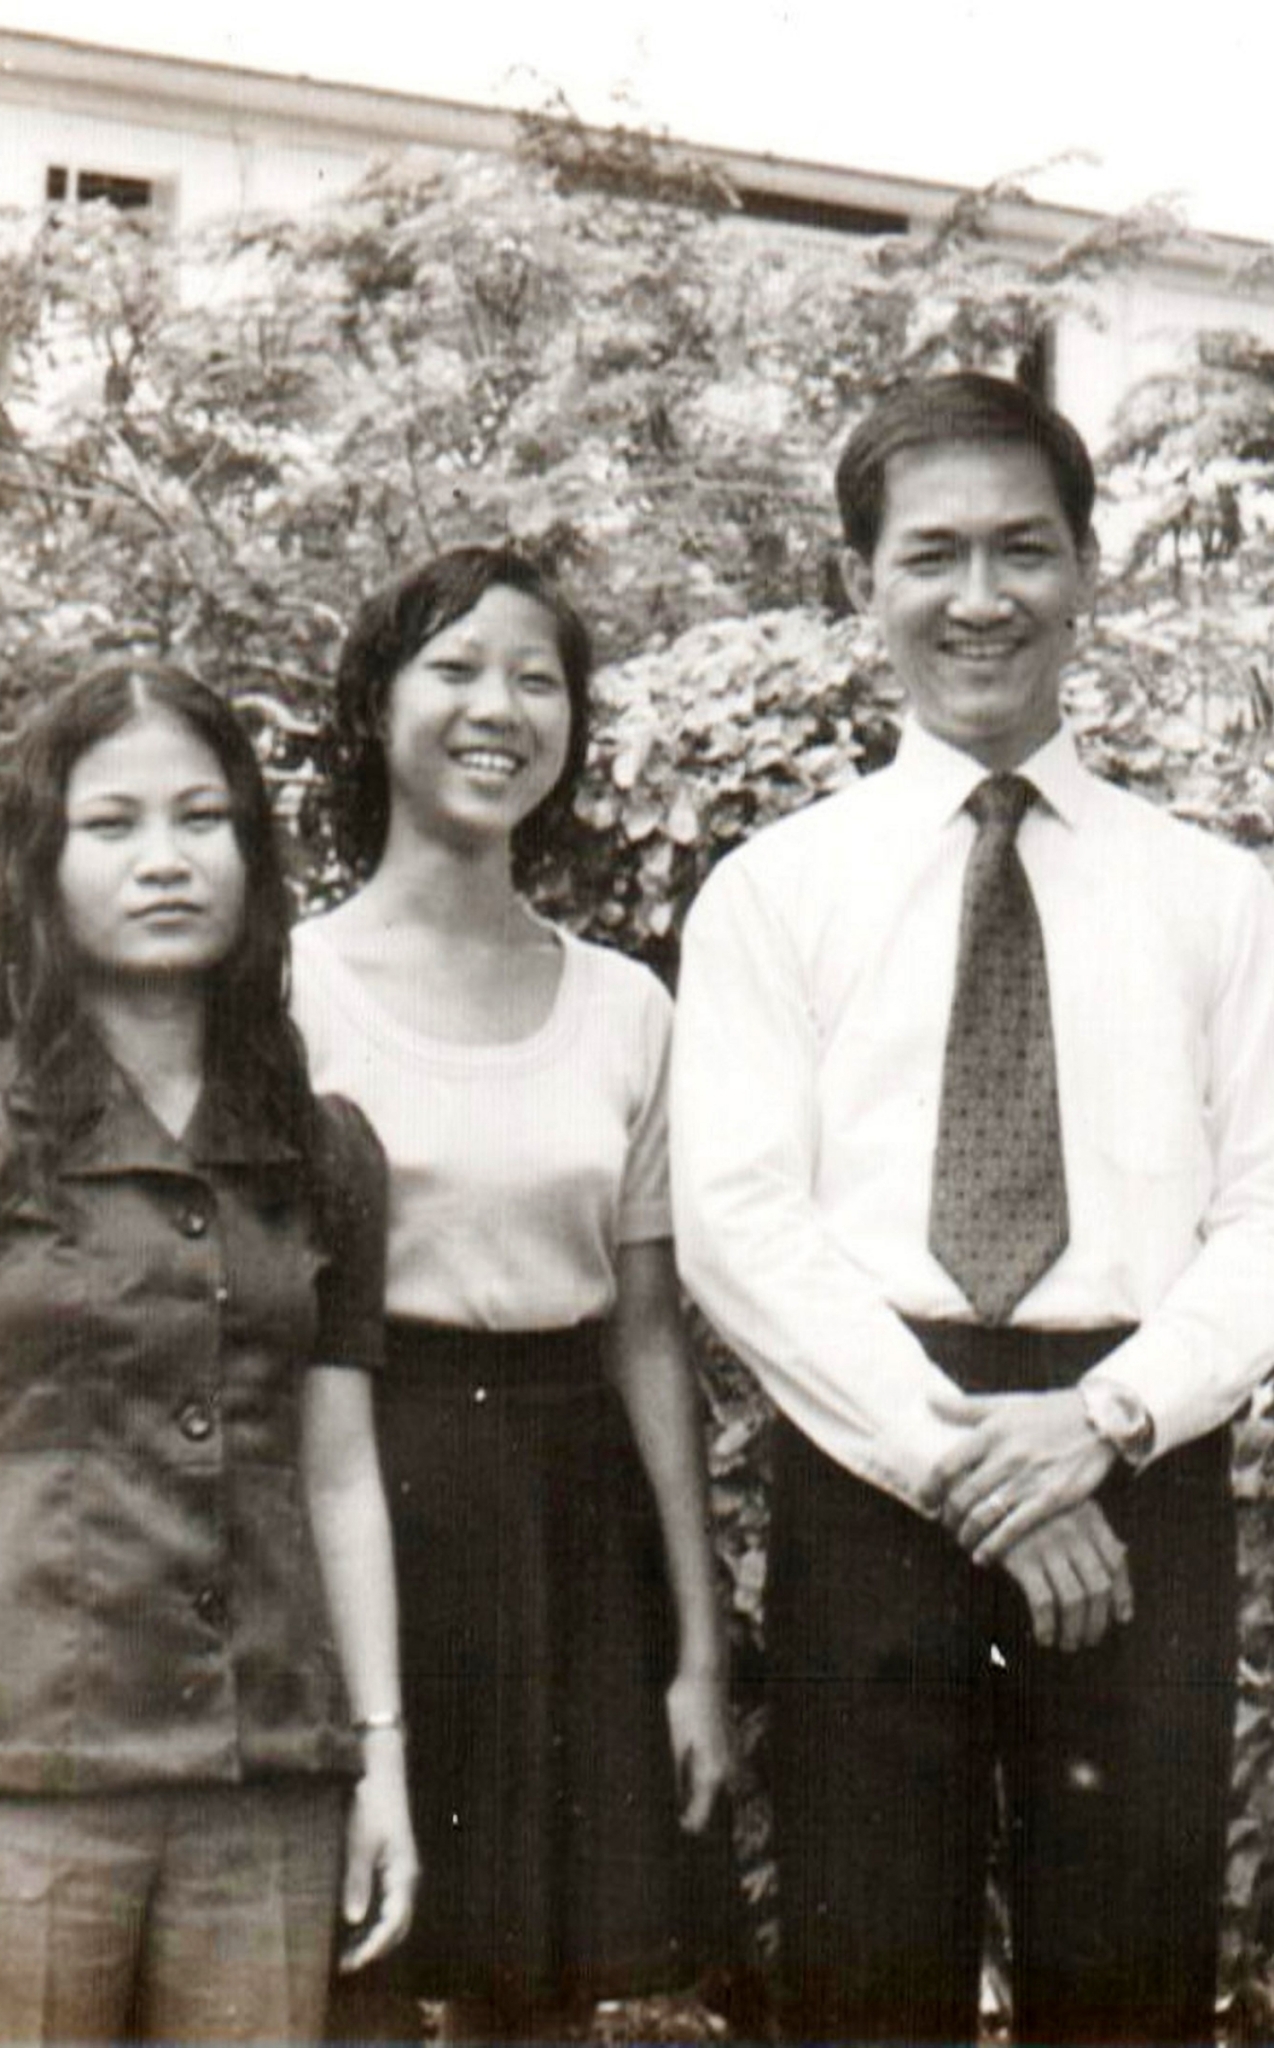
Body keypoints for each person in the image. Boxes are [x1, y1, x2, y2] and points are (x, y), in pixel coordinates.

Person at [670, 370, 1274, 2045]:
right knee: (866, 1979)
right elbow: (740, 1222)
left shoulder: (1212, 897)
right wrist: (973, 1464)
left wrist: (1099, 1425)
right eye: (934, 554)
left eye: (1023, 549)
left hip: (1137, 1448)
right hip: (871, 1453)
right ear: (862, 582)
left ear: (1085, 571)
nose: (980, 596)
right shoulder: (775, 893)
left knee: (1127, 1984)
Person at [298, 547, 735, 2040]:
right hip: (361, 1486)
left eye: (537, 680)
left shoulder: (627, 1007)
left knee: (536, 1992)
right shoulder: (285, 991)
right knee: (349, 1975)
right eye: (457, 669)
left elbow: (650, 1338)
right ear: (375, 707)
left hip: (568, 1509)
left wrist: (695, 1646)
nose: (499, 709)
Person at [0, 662, 415, 2041]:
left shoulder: (324, 1148)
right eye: (112, 824)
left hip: (267, 1774)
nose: (165, 860)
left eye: (201, 818)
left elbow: (339, 1475)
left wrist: (380, 1759)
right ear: (43, 864)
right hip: (29, 1772)